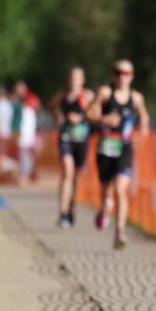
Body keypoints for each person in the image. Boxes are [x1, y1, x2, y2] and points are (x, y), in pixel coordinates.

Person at [87, 59, 150, 249]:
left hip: (125, 147)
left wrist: (143, 130)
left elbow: (144, 116)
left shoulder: (137, 97)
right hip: (106, 147)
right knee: (106, 190)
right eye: (119, 72)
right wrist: (103, 118)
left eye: (126, 73)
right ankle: (104, 209)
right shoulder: (105, 93)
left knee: (120, 190)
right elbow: (89, 113)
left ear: (132, 76)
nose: (122, 77)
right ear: (113, 75)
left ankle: (120, 231)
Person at [53, 67, 94, 228]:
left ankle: (71, 209)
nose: (74, 80)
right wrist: (58, 116)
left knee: (76, 177)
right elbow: (51, 107)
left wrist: (82, 117)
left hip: (82, 140)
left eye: (77, 77)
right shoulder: (62, 96)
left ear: (82, 80)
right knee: (67, 172)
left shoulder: (88, 96)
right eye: (71, 77)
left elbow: (96, 113)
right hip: (66, 138)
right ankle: (62, 213)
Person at [17, 92, 39, 187]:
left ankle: (24, 177)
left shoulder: (28, 112)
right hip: (26, 139)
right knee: (25, 159)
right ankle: (23, 177)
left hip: (26, 139)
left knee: (25, 159)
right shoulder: (27, 112)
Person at [0, 85, 15, 180]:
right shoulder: (9, 104)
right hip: (7, 132)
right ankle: (6, 174)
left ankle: (12, 166)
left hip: (0, 132)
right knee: (4, 154)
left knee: (0, 155)